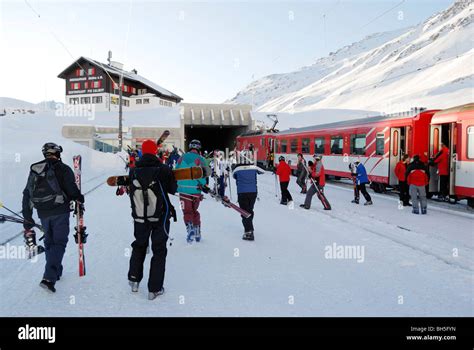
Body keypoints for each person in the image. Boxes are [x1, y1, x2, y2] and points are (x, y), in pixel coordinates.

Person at [22, 142, 85, 293]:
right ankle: (48, 278)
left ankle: (56, 270)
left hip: (43, 212)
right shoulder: (63, 169)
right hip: (60, 211)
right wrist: (79, 198)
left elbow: (27, 193)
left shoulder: (36, 170)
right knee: (59, 242)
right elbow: (71, 189)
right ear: (57, 153)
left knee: (50, 242)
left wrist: (27, 217)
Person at [127, 140, 177, 300]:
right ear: (155, 152)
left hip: (140, 216)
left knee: (139, 245)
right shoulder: (163, 169)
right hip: (160, 216)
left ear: (142, 152)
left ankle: (134, 280)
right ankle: (154, 289)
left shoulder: (133, 171)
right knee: (159, 250)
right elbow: (173, 189)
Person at [175, 139, 209, 243]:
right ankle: (197, 231)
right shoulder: (201, 159)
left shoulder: (181, 158)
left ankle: (189, 228)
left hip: (183, 191)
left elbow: (176, 172)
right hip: (196, 190)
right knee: (194, 211)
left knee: (187, 211)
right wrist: (204, 186)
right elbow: (205, 175)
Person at [233, 163, 265, 241]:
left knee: (244, 212)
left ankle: (249, 231)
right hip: (253, 192)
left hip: (242, 192)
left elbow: (234, 176)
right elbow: (262, 171)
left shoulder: (237, 168)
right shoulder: (254, 167)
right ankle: (249, 227)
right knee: (249, 210)